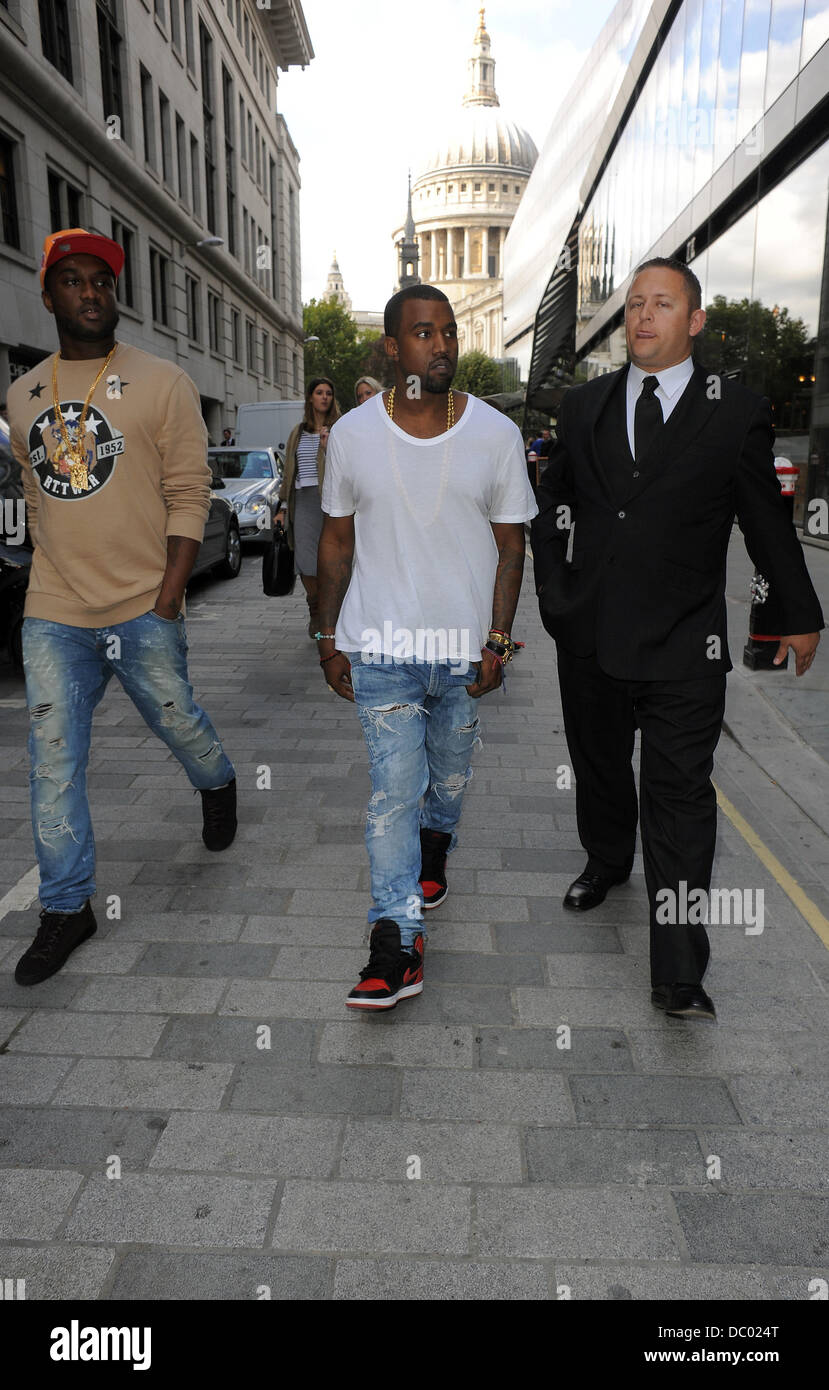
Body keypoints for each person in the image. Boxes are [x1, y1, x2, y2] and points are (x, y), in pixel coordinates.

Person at [531, 256, 823, 1021]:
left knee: (680, 799)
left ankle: (678, 970)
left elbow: (765, 520)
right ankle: (604, 860)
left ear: (694, 321)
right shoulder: (585, 403)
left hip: (684, 643)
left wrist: (795, 612)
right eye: (633, 304)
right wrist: (555, 595)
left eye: (661, 304)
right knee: (597, 767)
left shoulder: (734, 411)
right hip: (589, 633)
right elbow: (550, 501)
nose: (641, 317)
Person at [7, 228, 237, 987]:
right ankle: (67, 907)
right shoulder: (22, 395)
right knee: (53, 762)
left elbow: (188, 492)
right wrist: (47, 573)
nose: (91, 292)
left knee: (177, 720)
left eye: (102, 280)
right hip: (56, 608)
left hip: (144, 602)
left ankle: (217, 781)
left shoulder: (163, 383)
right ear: (49, 296)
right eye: (74, 281)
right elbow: (39, 502)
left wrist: (170, 595)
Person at [317, 285, 537, 1010]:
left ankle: (436, 845)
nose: (440, 345)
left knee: (447, 782)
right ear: (391, 347)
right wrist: (325, 637)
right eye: (421, 333)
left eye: (447, 332)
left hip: (461, 650)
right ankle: (395, 942)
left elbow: (511, 548)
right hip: (380, 649)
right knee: (391, 796)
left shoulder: (494, 435)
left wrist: (498, 641)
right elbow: (336, 541)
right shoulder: (349, 434)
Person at [275, 376, 340, 638]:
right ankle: (316, 610)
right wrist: (282, 507)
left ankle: (330, 615)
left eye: (328, 393)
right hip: (302, 500)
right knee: (304, 560)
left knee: (331, 559)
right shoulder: (298, 432)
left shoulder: (339, 428)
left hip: (331, 501)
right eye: (319, 392)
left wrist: (328, 446)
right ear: (310, 398)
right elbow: (289, 473)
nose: (324, 397)